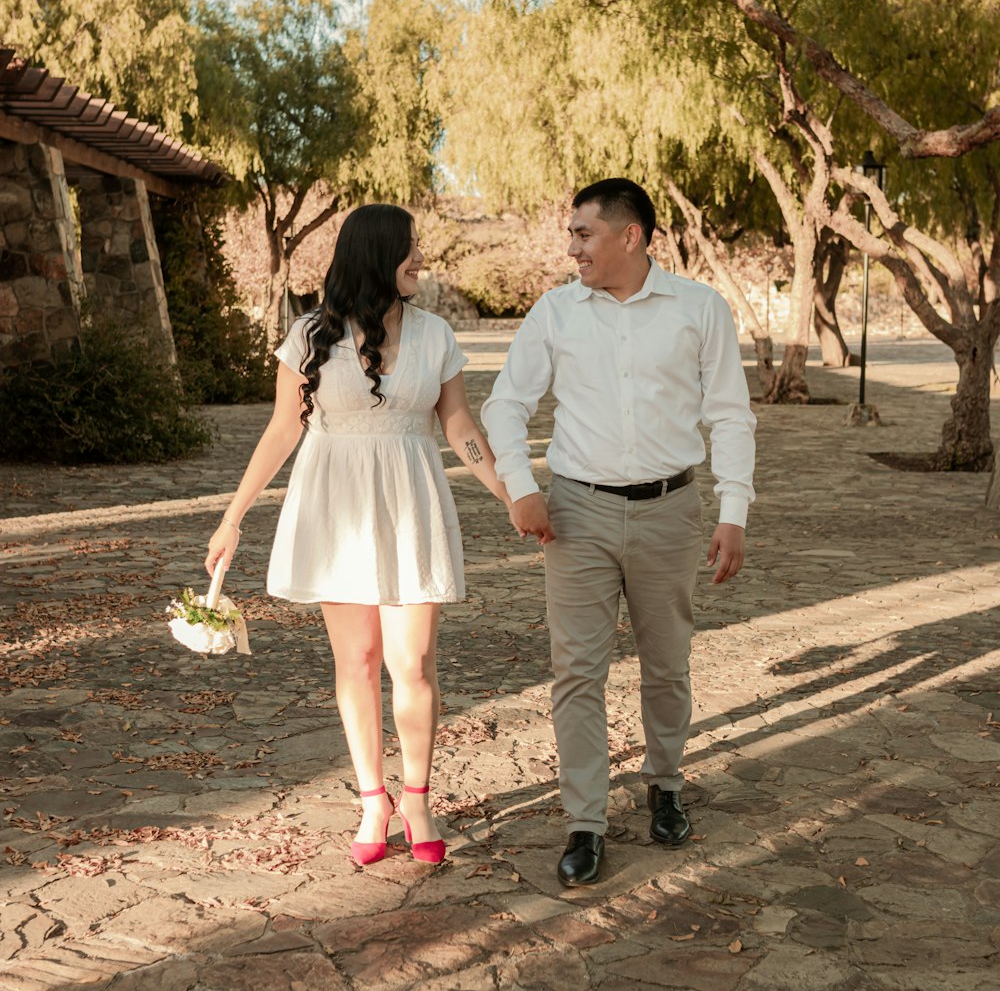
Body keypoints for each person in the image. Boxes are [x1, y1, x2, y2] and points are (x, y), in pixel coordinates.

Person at [206, 203, 510, 867]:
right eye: (411, 250)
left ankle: (418, 798)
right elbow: (283, 429)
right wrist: (234, 518)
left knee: (413, 664)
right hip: (334, 506)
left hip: (408, 503)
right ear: (378, 254)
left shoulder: (434, 336)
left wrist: (510, 495)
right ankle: (374, 799)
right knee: (359, 662)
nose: (421, 261)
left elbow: (459, 425)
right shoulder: (310, 334)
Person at [482, 178, 756, 887]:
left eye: (583, 234)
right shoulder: (556, 313)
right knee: (578, 672)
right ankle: (586, 821)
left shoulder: (699, 309)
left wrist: (734, 512)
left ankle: (664, 783)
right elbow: (506, 404)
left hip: (671, 511)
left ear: (629, 237)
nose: (571, 248)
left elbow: (729, 413)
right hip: (577, 514)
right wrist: (521, 489)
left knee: (667, 663)